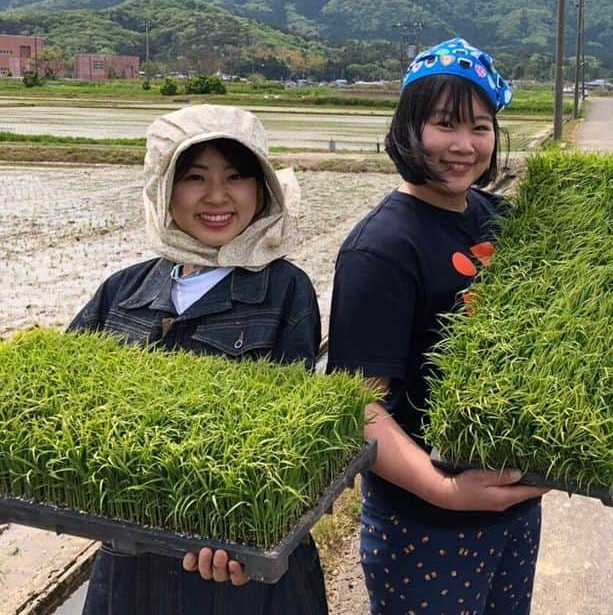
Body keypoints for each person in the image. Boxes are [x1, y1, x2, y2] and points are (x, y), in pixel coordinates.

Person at [70, 104, 327, 615]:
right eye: (194, 178)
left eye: (235, 177)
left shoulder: (283, 290)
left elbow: (285, 437)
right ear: (164, 189)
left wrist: (242, 529)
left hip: (237, 573)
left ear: (262, 189)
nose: (216, 196)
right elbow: (59, 398)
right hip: (130, 564)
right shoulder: (124, 291)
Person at [327, 38, 547, 615]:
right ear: (408, 128)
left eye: (480, 126)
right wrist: (447, 490)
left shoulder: (497, 217)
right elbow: (361, 409)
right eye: (445, 123)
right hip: (426, 522)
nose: (463, 145)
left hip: (514, 507)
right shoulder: (381, 249)